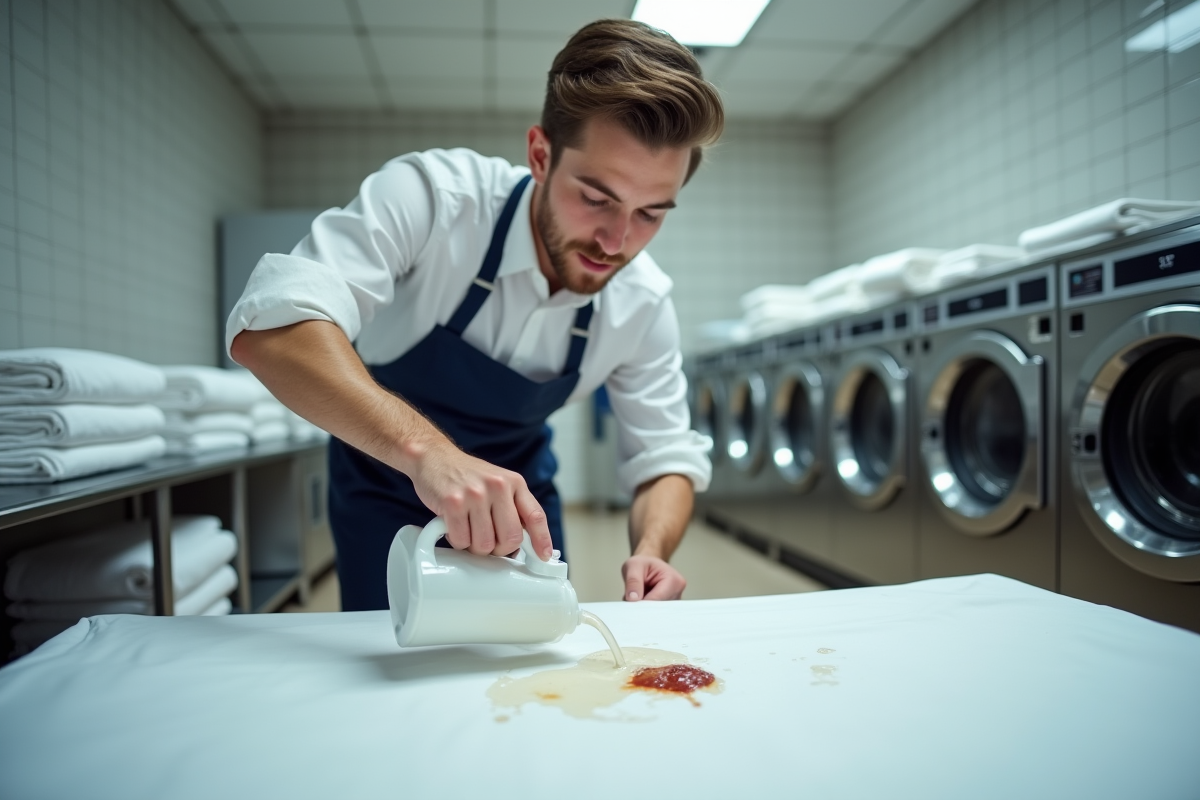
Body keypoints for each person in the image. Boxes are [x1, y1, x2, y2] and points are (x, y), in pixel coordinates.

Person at [227, 19, 723, 611]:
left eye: (650, 214)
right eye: (596, 199)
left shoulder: (641, 302)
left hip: (521, 508)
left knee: (530, 658)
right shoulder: (435, 199)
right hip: (384, 487)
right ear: (540, 155)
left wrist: (653, 549)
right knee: (389, 655)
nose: (616, 242)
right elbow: (272, 329)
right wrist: (429, 455)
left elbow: (664, 457)